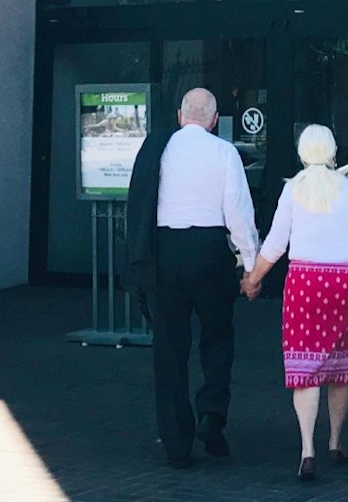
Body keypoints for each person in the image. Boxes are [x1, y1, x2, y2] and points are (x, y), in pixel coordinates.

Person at [242, 125, 348, 481]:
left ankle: (307, 449)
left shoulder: (293, 191)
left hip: (307, 284)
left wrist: (253, 279)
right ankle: (336, 442)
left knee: (304, 366)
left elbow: (275, 244)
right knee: (341, 363)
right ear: (333, 151)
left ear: (302, 153)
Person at [126, 88, 261, 470]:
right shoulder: (224, 152)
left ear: (180, 115)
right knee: (218, 336)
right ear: (215, 120)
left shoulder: (159, 149)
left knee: (169, 347)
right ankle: (212, 415)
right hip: (209, 249)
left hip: (165, 250)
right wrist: (251, 265)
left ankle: (176, 443)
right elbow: (238, 213)